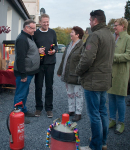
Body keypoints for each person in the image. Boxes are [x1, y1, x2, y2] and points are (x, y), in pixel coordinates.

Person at [76, 10, 115, 150]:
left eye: (90, 20)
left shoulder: (95, 35)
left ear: (95, 21)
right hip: (105, 80)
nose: (89, 22)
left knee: (94, 115)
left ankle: (95, 146)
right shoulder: (110, 35)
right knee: (102, 112)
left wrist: (78, 71)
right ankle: (103, 142)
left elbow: (87, 59)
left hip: (93, 81)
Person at [14, 19, 40, 124]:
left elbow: (28, 52)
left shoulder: (28, 37)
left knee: (24, 92)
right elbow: (20, 58)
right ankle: (17, 115)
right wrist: (23, 74)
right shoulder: (22, 39)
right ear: (27, 27)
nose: (35, 30)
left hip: (28, 72)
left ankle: (23, 111)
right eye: (33, 28)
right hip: (23, 73)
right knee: (20, 94)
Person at [107, 18, 130, 134]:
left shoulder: (128, 38)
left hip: (121, 73)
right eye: (114, 25)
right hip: (110, 73)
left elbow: (128, 55)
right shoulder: (112, 37)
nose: (114, 27)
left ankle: (121, 123)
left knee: (120, 99)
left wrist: (113, 57)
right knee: (110, 97)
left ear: (123, 26)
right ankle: (112, 119)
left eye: (116, 25)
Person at [57, 26, 84, 122]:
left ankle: (78, 113)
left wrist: (81, 74)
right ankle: (71, 110)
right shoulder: (69, 45)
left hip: (76, 75)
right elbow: (64, 59)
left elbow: (84, 62)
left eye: (72, 32)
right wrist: (60, 71)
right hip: (67, 74)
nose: (70, 34)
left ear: (78, 35)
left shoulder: (82, 46)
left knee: (78, 94)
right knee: (69, 93)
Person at [33, 14, 58, 118]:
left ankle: (49, 108)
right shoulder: (35, 33)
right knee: (38, 86)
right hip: (39, 64)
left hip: (50, 63)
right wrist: (37, 50)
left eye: (47, 22)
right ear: (40, 22)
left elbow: (56, 45)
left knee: (49, 86)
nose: (46, 24)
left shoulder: (52, 32)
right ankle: (38, 108)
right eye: (44, 22)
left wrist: (54, 50)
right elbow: (31, 47)